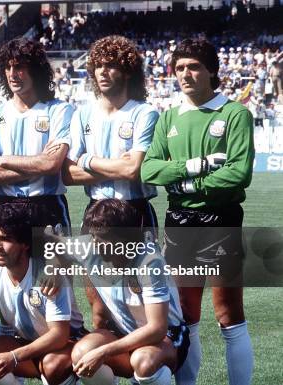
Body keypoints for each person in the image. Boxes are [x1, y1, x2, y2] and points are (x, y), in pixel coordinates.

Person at [141, 38, 255, 385]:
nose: (185, 74)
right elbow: (150, 170)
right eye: (179, 68)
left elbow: (238, 172)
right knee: (186, 313)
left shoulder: (234, 113)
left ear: (212, 71)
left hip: (220, 220)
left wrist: (187, 185)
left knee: (228, 314)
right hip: (179, 223)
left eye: (193, 67)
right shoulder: (169, 117)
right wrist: (196, 168)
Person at [0, 203, 85, 385]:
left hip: (65, 343)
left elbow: (59, 334)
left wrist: (14, 356)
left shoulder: (49, 272)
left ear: (24, 243)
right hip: (23, 342)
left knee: (52, 365)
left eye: (5, 239)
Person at [71, 199, 188, 385]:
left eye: (100, 238)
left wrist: (104, 351)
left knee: (143, 361)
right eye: (92, 236)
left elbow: (157, 328)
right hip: (124, 333)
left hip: (167, 337)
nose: (93, 243)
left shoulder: (149, 262)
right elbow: (54, 245)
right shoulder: (91, 248)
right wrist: (52, 268)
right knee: (81, 352)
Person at [0, 37, 73, 233]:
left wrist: (3, 160)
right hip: (5, 207)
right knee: (6, 264)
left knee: (55, 265)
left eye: (18, 67)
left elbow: (52, 165)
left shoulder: (59, 110)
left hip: (47, 208)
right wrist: (39, 164)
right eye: (7, 68)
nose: (12, 74)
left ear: (35, 70)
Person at [62, 35, 159, 235]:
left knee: (141, 267)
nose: (103, 72)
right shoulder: (82, 114)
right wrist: (118, 167)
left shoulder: (145, 113)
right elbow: (68, 174)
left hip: (134, 210)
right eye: (98, 66)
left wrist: (87, 159)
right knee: (92, 267)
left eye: (111, 66)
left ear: (128, 72)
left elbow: (133, 170)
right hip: (95, 210)